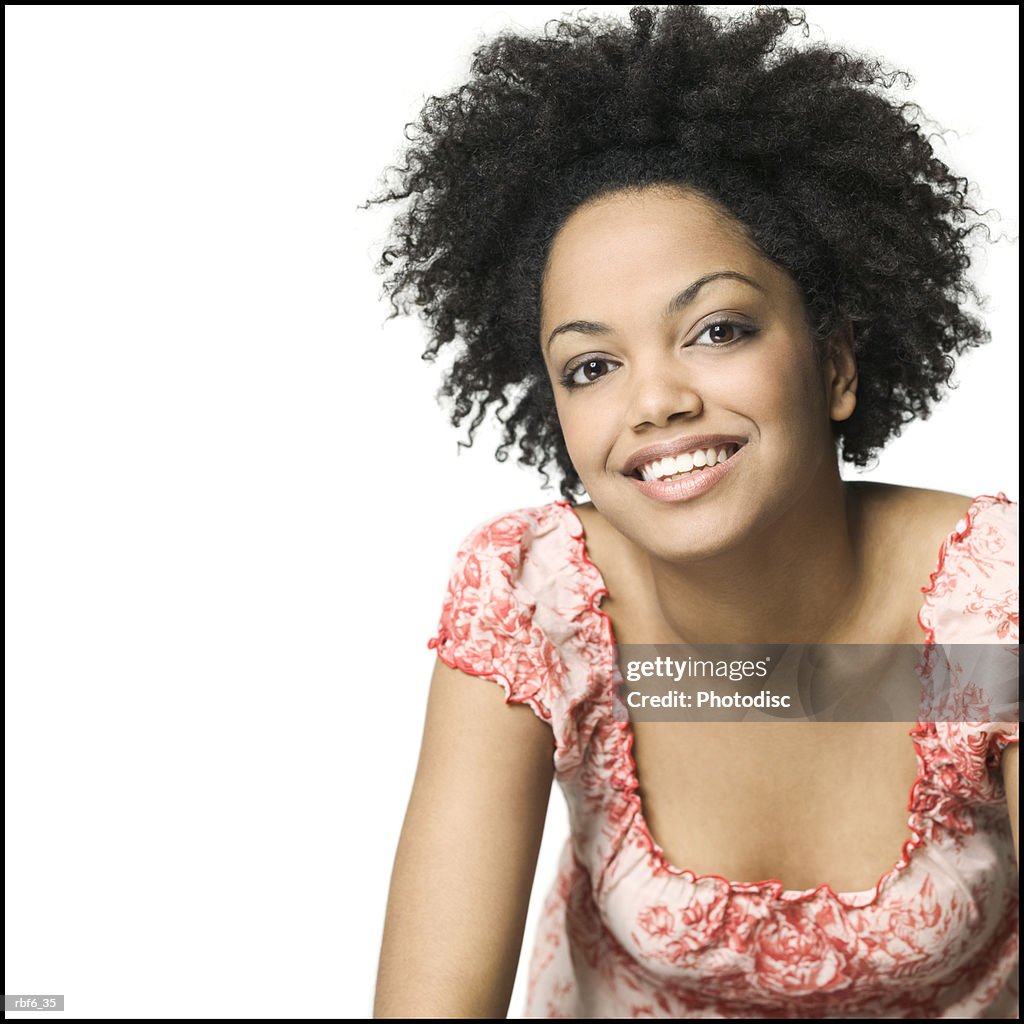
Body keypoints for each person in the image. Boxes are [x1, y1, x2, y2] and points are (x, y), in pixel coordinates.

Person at [368, 6, 1018, 1018]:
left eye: (716, 329)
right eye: (591, 365)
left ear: (835, 362)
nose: (654, 401)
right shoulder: (540, 603)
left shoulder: (993, 610)